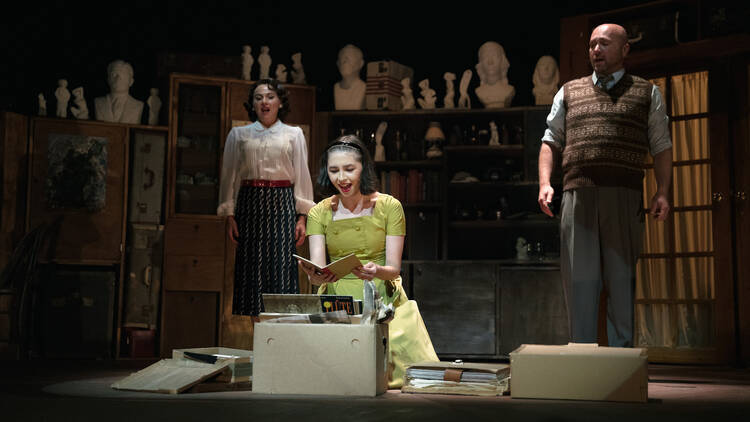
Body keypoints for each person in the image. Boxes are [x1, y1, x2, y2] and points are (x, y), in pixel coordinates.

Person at [537, 23, 673, 348]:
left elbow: (661, 144)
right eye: (593, 44)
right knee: (580, 281)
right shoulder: (569, 91)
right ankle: (582, 358)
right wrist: (545, 182)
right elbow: (550, 139)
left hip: (623, 196)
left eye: (605, 44)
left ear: (625, 49)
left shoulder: (646, 92)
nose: (596, 50)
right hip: (578, 196)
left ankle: (622, 363)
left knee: (621, 278)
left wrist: (663, 190)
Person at [301, 135, 438, 387]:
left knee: (401, 375)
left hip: (380, 297)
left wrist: (376, 271)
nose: (341, 178)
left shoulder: (389, 206)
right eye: (334, 171)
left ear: (363, 167)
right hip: (337, 299)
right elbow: (316, 272)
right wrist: (315, 275)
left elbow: (393, 269)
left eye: (349, 169)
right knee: (332, 377)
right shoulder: (319, 212)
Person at [217, 78, 315, 316]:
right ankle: (258, 342)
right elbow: (229, 177)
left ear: (280, 102)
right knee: (252, 272)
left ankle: (279, 341)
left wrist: (302, 217)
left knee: (281, 268)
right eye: (258, 97)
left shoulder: (294, 134)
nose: (264, 102)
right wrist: (230, 215)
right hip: (249, 203)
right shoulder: (239, 135)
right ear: (252, 103)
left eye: (270, 97)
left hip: (282, 203)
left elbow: (302, 175)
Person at [94, 59, 144, 124]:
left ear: (131, 81)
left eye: (123, 74)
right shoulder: (98, 102)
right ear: (108, 79)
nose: (118, 78)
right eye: (114, 74)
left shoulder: (138, 105)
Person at [474, 41, 515, 108]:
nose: (490, 62)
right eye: (485, 57)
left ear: (502, 61)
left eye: (494, 56)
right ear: (480, 64)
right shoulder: (479, 91)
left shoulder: (509, 90)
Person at [333, 44, 366, 110]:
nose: (345, 61)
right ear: (338, 63)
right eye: (342, 57)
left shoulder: (365, 87)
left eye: (350, 57)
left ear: (361, 63)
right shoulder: (335, 87)